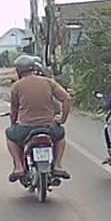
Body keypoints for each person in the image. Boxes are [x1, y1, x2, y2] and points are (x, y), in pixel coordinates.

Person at [5, 54, 71, 182]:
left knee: (10, 135)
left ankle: (18, 167)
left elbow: (14, 110)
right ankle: (57, 165)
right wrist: (62, 119)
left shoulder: (16, 86)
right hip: (49, 126)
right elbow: (67, 98)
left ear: (19, 71)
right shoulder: (48, 82)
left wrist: (13, 124)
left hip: (26, 128)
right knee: (60, 135)